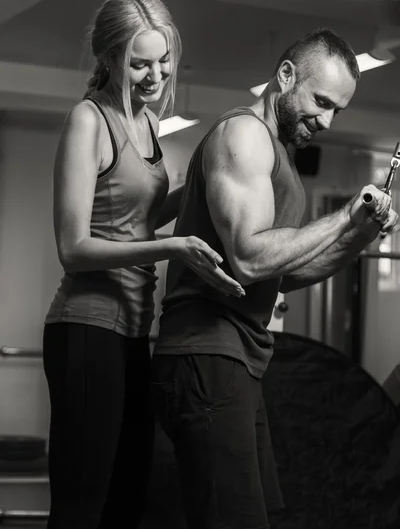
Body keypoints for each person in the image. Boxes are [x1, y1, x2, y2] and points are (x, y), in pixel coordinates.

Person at [151, 28, 398, 529]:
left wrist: (360, 234)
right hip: (207, 355)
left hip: (240, 359)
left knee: (261, 516)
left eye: (338, 111)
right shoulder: (243, 136)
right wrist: (347, 215)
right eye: (321, 101)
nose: (326, 120)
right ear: (286, 76)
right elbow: (247, 257)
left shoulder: (278, 156)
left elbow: (285, 273)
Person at [42, 0, 244, 529]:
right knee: (82, 506)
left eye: (163, 60)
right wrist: (172, 247)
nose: (155, 76)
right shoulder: (91, 120)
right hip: (86, 327)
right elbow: (73, 247)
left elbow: (137, 220)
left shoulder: (150, 125)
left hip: (132, 330)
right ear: (107, 58)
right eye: (138, 64)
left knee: (128, 500)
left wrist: (203, 174)